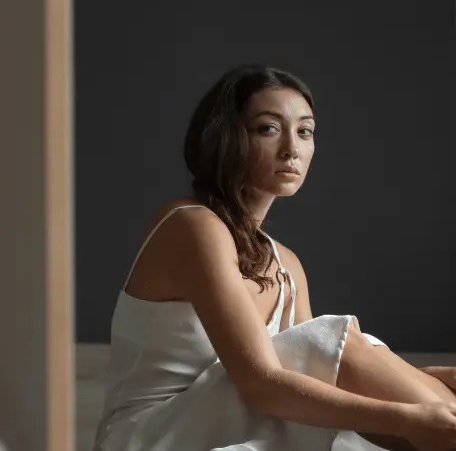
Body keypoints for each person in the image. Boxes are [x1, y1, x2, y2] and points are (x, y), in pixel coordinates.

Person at [93, 65, 456, 451]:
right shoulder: (193, 225)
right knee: (329, 342)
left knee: (345, 361)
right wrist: (407, 417)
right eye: (268, 128)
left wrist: (420, 379)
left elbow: (319, 381)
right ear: (227, 138)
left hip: (232, 421)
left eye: (305, 132)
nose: (291, 149)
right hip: (150, 435)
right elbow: (262, 384)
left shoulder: (286, 264)